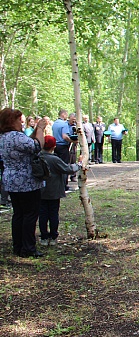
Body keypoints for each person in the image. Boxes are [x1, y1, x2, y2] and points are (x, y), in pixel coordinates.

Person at [0, 108, 46, 258]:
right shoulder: (16, 136)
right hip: (26, 181)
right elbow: (37, 146)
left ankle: (18, 246)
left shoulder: (4, 137)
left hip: (11, 180)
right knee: (30, 214)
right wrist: (40, 129)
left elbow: (29, 143)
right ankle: (28, 248)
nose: (21, 123)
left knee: (19, 214)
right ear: (11, 121)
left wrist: (35, 131)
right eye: (18, 120)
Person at [38, 136, 81, 246]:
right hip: (54, 191)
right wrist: (79, 165)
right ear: (54, 146)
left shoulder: (38, 157)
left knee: (42, 214)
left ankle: (44, 236)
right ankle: (53, 236)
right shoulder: (54, 159)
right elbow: (68, 169)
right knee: (53, 214)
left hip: (40, 191)